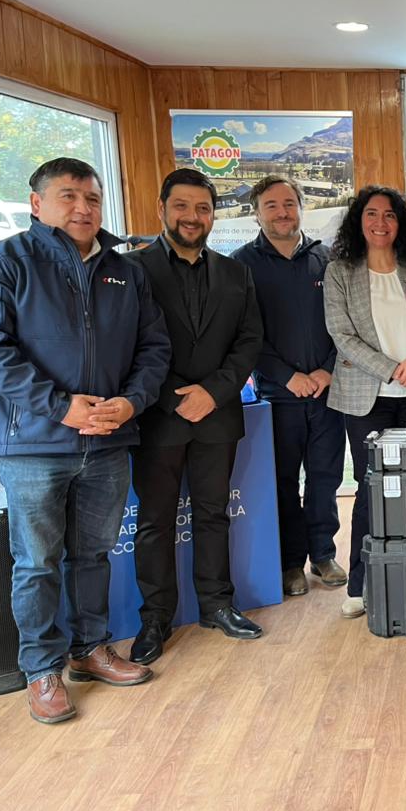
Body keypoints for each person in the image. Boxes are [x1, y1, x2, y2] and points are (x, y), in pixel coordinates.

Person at [0, 157, 171, 724]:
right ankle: (42, 671)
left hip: (108, 440)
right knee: (36, 562)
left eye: (93, 198)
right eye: (68, 196)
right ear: (37, 204)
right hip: (33, 444)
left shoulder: (125, 270)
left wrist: (130, 402)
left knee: (93, 555)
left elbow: (154, 348)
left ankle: (90, 650)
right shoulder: (1, 263)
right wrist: (60, 408)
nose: (83, 208)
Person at [125, 169, 265, 664]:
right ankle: (155, 620)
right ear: (162, 207)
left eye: (203, 208)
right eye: (182, 206)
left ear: (213, 214)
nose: (192, 217)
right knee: (155, 522)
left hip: (218, 414)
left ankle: (217, 606)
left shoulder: (235, 273)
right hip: (158, 416)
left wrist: (213, 391)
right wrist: (172, 397)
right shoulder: (132, 269)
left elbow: (250, 341)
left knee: (212, 514)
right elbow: (127, 345)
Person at [323, 186, 406, 618]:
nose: (381, 223)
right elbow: (341, 336)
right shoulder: (340, 270)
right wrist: (392, 369)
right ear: (359, 221)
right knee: (371, 488)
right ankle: (360, 583)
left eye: (390, 215)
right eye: (372, 214)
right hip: (367, 398)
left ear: (402, 224)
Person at [233, 176, 347, 598]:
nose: (282, 212)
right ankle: (288, 563)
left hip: (327, 391)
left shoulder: (329, 260)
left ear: (301, 207)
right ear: (257, 212)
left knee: (325, 477)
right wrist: (286, 376)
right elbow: (244, 336)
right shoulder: (241, 264)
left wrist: (327, 370)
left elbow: (347, 325)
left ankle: (323, 553)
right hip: (278, 396)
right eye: (272, 205)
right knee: (283, 481)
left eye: (289, 204)